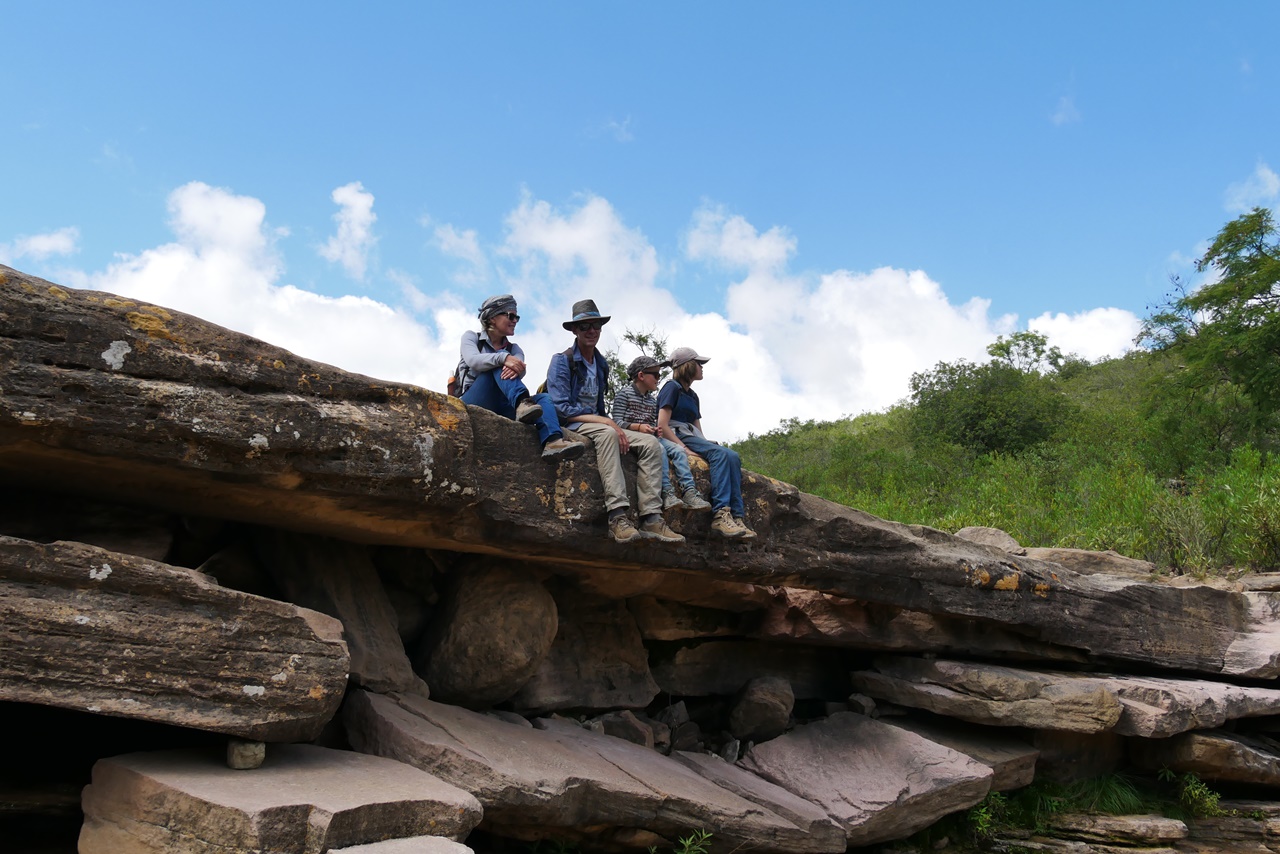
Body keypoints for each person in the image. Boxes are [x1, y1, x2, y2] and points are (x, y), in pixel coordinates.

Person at [546, 299, 684, 545]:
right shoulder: (562, 361)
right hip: (574, 422)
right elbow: (560, 408)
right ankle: (618, 516)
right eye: (585, 326)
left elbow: (600, 405)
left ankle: (652, 517)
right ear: (575, 331)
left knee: (652, 444)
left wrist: (609, 422)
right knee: (608, 435)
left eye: (596, 325)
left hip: (598, 420)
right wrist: (607, 423)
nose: (591, 331)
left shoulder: (601, 364)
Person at [456, 294, 584, 462]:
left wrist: (509, 362)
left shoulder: (515, 348)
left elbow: (519, 370)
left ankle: (553, 441)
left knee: (543, 398)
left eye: (517, 317)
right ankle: (522, 403)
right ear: (493, 317)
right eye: (510, 315)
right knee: (501, 358)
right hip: (474, 400)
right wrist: (503, 358)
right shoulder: (472, 337)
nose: (515, 320)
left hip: (505, 403)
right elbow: (474, 361)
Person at [657, 347, 757, 540]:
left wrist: (706, 445)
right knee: (720, 454)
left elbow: (697, 427)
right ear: (687, 366)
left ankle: (737, 516)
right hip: (677, 434)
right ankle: (720, 514)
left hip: (690, 434)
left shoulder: (693, 395)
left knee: (732, 456)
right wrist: (683, 448)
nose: (702, 368)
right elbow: (662, 424)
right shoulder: (671, 387)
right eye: (698, 364)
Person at [611, 355, 712, 512]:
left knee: (679, 450)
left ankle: (689, 491)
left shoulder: (652, 401)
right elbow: (616, 422)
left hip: (651, 437)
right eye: (656, 375)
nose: (659, 379)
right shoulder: (624, 394)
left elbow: (653, 422)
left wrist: (654, 429)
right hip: (634, 436)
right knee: (661, 451)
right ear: (641, 375)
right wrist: (638, 427)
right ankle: (667, 493)